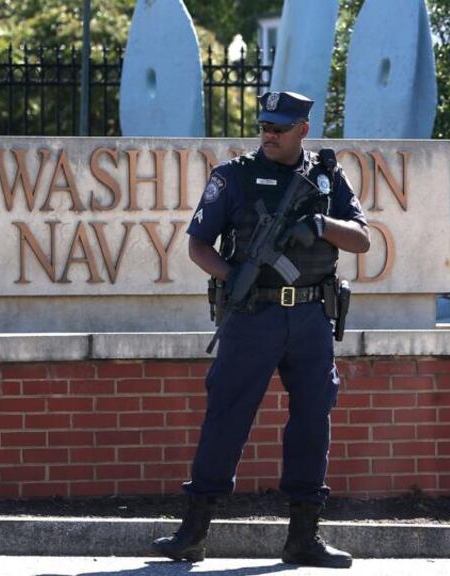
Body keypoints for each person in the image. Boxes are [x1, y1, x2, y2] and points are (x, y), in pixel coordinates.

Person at [151, 91, 370, 569]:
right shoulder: (233, 176)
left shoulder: (329, 176)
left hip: (311, 315)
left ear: (303, 130)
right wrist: (236, 282)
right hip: (253, 315)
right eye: (265, 125)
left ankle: (304, 538)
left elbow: (362, 238)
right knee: (227, 417)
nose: (269, 133)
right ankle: (192, 532)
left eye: (280, 126)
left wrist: (320, 224)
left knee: (313, 420)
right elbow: (198, 247)